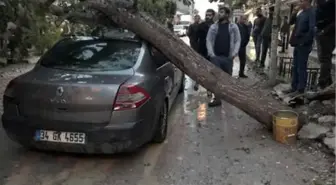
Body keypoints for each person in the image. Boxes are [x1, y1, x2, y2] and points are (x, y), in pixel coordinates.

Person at [206, 6, 241, 107]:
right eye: (219, 12)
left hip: (228, 57)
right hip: (216, 57)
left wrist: (234, 53)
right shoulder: (213, 27)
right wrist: (211, 54)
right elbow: (209, 40)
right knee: (216, 78)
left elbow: (238, 40)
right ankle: (217, 99)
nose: (219, 14)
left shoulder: (233, 27)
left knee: (227, 78)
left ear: (227, 14)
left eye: (221, 12)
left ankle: (227, 97)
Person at [285, 0, 315, 95]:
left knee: (301, 67)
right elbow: (291, 23)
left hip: (304, 44)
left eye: (301, 1)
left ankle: (300, 89)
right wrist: (294, 12)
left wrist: (305, 41)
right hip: (297, 43)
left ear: (307, 1)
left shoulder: (311, 12)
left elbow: (312, 29)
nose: (299, 3)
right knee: (295, 65)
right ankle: (294, 87)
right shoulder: (301, 13)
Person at [193, 9, 216, 92]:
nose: (207, 16)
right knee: (200, 68)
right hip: (202, 50)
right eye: (206, 15)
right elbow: (195, 38)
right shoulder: (201, 25)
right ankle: (197, 82)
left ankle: (209, 90)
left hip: (212, 52)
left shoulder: (215, 26)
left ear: (213, 16)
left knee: (210, 72)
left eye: (209, 15)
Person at [316, 0, 336, 90]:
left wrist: (324, 31)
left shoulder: (331, 4)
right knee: (324, 58)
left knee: (325, 58)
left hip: (328, 34)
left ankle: (323, 82)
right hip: (325, 32)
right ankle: (327, 81)